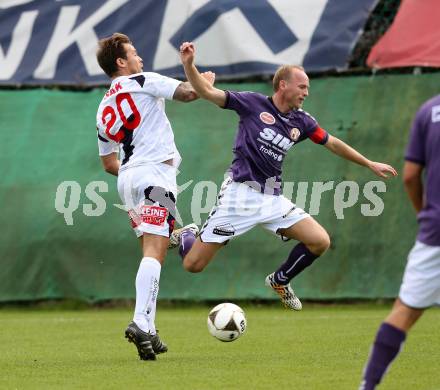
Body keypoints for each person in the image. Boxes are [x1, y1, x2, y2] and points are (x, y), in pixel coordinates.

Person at [175, 41, 397, 311]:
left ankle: (280, 280)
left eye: (307, 88)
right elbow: (207, 92)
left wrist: (369, 163)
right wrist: (188, 65)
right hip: (238, 196)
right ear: (283, 85)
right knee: (193, 265)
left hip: (272, 198)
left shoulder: (302, 122)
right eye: (302, 87)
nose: (305, 93)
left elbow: (332, 142)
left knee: (319, 241)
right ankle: (188, 234)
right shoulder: (252, 103)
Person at [95, 33, 212, 361]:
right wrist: (196, 73)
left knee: (154, 248)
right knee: (155, 249)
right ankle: (140, 323)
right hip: (154, 175)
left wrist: (135, 178)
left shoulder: (103, 106)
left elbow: (107, 163)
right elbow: (190, 94)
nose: (140, 59)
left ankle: (149, 325)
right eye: (134, 53)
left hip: (127, 179)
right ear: (121, 62)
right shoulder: (142, 80)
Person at [359, 95, 440, 389]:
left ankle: (367, 386)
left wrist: (425, 214)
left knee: (404, 311)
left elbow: (409, 177)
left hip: (435, 232)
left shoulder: (429, 111)